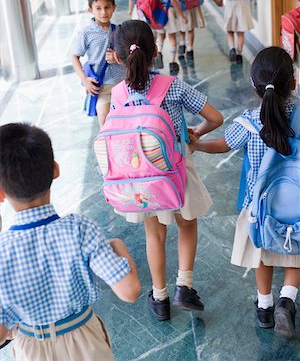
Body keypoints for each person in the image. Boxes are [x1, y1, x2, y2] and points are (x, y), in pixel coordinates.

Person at [110, 19, 223, 321]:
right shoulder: (174, 86)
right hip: (176, 171)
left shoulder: (118, 94)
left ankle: (160, 298)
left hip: (141, 178)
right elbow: (216, 118)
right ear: (156, 51)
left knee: (154, 235)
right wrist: (194, 132)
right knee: (187, 225)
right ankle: (184, 285)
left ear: (118, 58)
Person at [0, 123, 141, 360]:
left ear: (1, 193)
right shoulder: (81, 229)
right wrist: (119, 247)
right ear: (55, 170)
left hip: (32, 347)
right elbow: (129, 291)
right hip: (84, 339)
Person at [189, 46, 300, 338]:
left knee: (261, 255)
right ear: (294, 82)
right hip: (297, 208)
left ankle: (265, 307)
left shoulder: (250, 122)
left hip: (259, 209)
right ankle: (287, 300)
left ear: (255, 88)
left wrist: (197, 143)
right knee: (295, 255)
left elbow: (223, 145)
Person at [72, 0, 125, 127]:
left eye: (107, 7)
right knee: (105, 124)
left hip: (122, 84)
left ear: (114, 7)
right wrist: (84, 80)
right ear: (91, 10)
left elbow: (127, 54)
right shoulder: (86, 33)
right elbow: (74, 57)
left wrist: (117, 58)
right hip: (102, 87)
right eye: (98, 8)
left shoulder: (119, 30)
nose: (103, 12)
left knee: (125, 122)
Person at [172, 0, 222, 79]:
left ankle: (182, 43)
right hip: (194, 6)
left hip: (181, 7)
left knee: (181, 26)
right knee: (191, 28)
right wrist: (216, 0)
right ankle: (190, 49)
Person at [152, 0, 188, 75]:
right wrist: (182, 16)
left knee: (161, 36)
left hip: (158, 12)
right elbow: (174, 1)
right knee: (172, 37)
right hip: (169, 13)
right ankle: (172, 62)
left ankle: (159, 52)